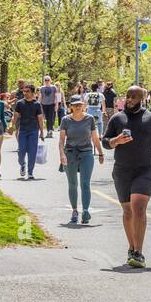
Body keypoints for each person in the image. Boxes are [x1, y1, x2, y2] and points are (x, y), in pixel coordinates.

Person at [102, 85, 151, 268]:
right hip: (122, 171)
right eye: (128, 96)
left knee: (138, 208)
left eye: (134, 96)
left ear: (142, 99)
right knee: (127, 211)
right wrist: (116, 140)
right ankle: (132, 248)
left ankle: (139, 253)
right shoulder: (118, 118)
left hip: (145, 170)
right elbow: (105, 141)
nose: (129, 99)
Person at [59, 95, 103, 225]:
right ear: (70, 106)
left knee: (85, 183)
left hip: (86, 153)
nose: (78, 107)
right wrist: (62, 154)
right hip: (70, 153)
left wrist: (100, 153)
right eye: (75, 105)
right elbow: (61, 140)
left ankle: (85, 211)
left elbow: (95, 137)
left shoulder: (89, 119)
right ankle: (74, 211)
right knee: (72, 184)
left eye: (80, 104)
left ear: (83, 105)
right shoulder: (65, 120)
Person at [9, 84, 45, 179]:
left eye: (27, 91)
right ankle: (23, 164)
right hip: (23, 130)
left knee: (32, 152)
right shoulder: (20, 103)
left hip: (34, 130)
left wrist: (41, 132)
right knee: (21, 151)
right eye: (24, 91)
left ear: (33, 92)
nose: (25, 93)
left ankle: (30, 172)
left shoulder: (37, 104)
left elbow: (40, 119)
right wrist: (11, 126)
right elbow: (15, 116)